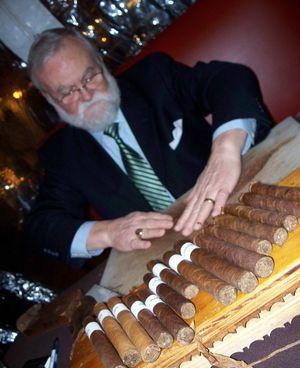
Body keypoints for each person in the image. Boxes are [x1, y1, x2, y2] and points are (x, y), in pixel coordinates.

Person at [25, 28, 272, 265]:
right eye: (67, 92)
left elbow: (228, 79)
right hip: (174, 261)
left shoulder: (155, 77)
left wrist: (225, 151)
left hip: (238, 206)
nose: (86, 95)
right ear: (50, 99)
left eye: (89, 77)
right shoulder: (62, 154)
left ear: (100, 62)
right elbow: (41, 226)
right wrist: (109, 233)